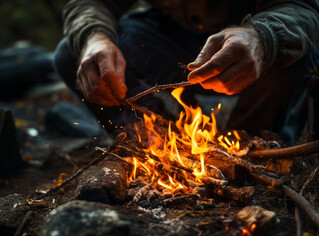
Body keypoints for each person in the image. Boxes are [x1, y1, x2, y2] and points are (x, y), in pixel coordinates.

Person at [54, 0, 319, 142]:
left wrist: (263, 38)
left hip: (250, 44)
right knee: (72, 53)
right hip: (166, 39)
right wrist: (95, 36)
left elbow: (303, 7)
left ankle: (251, 149)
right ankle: (158, 143)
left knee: (292, 57)